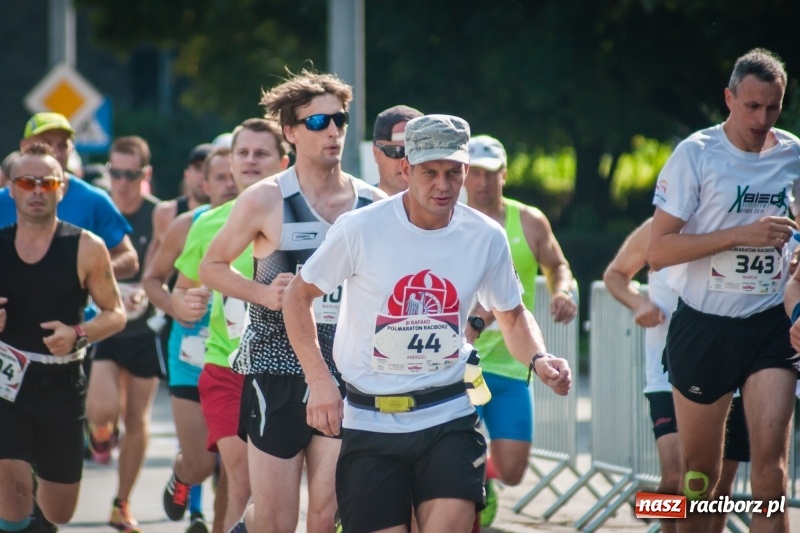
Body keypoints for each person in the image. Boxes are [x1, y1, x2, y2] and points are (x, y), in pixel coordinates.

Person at [282, 114, 572, 533]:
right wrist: (320, 380)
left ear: (467, 172)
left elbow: (510, 314)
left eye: (454, 173)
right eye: (430, 172)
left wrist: (539, 358)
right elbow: (298, 296)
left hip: (448, 414)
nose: (443, 185)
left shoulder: (486, 236)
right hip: (369, 418)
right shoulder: (361, 229)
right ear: (405, 169)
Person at [198, 69, 385, 533]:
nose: (333, 131)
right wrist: (263, 293)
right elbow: (212, 267)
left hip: (344, 369)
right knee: (277, 522)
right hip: (276, 367)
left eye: (339, 120)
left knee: (325, 513)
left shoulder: (372, 204)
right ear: (291, 132)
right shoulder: (266, 200)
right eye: (318, 123)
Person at [648, 48, 800, 532]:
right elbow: (658, 252)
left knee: (771, 475)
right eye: (751, 106)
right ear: (728, 99)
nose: (761, 118)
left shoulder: (793, 155)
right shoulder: (696, 154)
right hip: (703, 326)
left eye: (772, 107)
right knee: (698, 479)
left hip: (769, 325)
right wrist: (741, 235)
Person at [171, 118, 290, 531]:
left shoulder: (306, 216)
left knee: (275, 494)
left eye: (262, 154)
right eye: (243, 153)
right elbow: (184, 287)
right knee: (240, 478)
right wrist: (185, 302)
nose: (251, 161)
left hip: (291, 367)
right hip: (226, 364)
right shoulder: (206, 223)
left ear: (283, 159)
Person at [0, 143, 126, 532]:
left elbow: (116, 314)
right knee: (12, 494)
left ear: (63, 188)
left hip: (62, 382)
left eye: (47, 182)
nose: (37, 190)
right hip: (6, 383)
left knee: (59, 510)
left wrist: (78, 333)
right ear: (11, 189)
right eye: (26, 181)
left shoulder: (87, 246)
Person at [604, 217, 751, 533]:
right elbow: (615, 274)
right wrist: (638, 303)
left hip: (733, 372)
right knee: (676, 478)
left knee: (717, 490)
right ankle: (655, 509)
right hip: (667, 372)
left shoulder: (745, 223)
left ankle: (649, 505)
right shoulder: (660, 226)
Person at [461, 133, 577, 525]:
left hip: (510, 364)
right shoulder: (447, 220)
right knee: (452, 456)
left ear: (504, 175)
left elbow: (557, 265)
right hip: (460, 363)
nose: (482, 182)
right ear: (463, 175)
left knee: (512, 470)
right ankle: (464, 487)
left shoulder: (527, 220)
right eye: (474, 173)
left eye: (490, 174)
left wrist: (562, 293)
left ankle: (480, 478)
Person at [142, 146, 237, 533]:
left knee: (234, 469)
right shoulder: (189, 224)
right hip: (192, 355)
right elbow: (152, 280)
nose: (231, 184)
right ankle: (182, 475)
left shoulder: (269, 221)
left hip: (237, 359)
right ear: (204, 183)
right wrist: (177, 306)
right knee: (202, 464)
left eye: (235, 175)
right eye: (220, 177)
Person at [84, 136, 162, 533]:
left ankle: (122, 503)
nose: (122, 182)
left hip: (144, 330)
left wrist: (152, 294)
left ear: (145, 175)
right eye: (115, 173)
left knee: (138, 417)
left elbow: (169, 268)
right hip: (104, 326)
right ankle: (99, 430)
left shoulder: (157, 214)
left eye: (131, 174)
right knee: (103, 408)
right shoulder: (99, 207)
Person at [0, 112, 138, 279]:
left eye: (63, 145)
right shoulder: (2, 201)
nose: (56, 153)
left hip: (75, 305)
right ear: (24, 147)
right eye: (46, 143)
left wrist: (86, 274)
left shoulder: (93, 200)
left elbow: (129, 260)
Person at [372, 104, 423, 196]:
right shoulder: (358, 207)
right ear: (375, 153)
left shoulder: (446, 209)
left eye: (415, 151)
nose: (406, 161)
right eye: (395, 151)